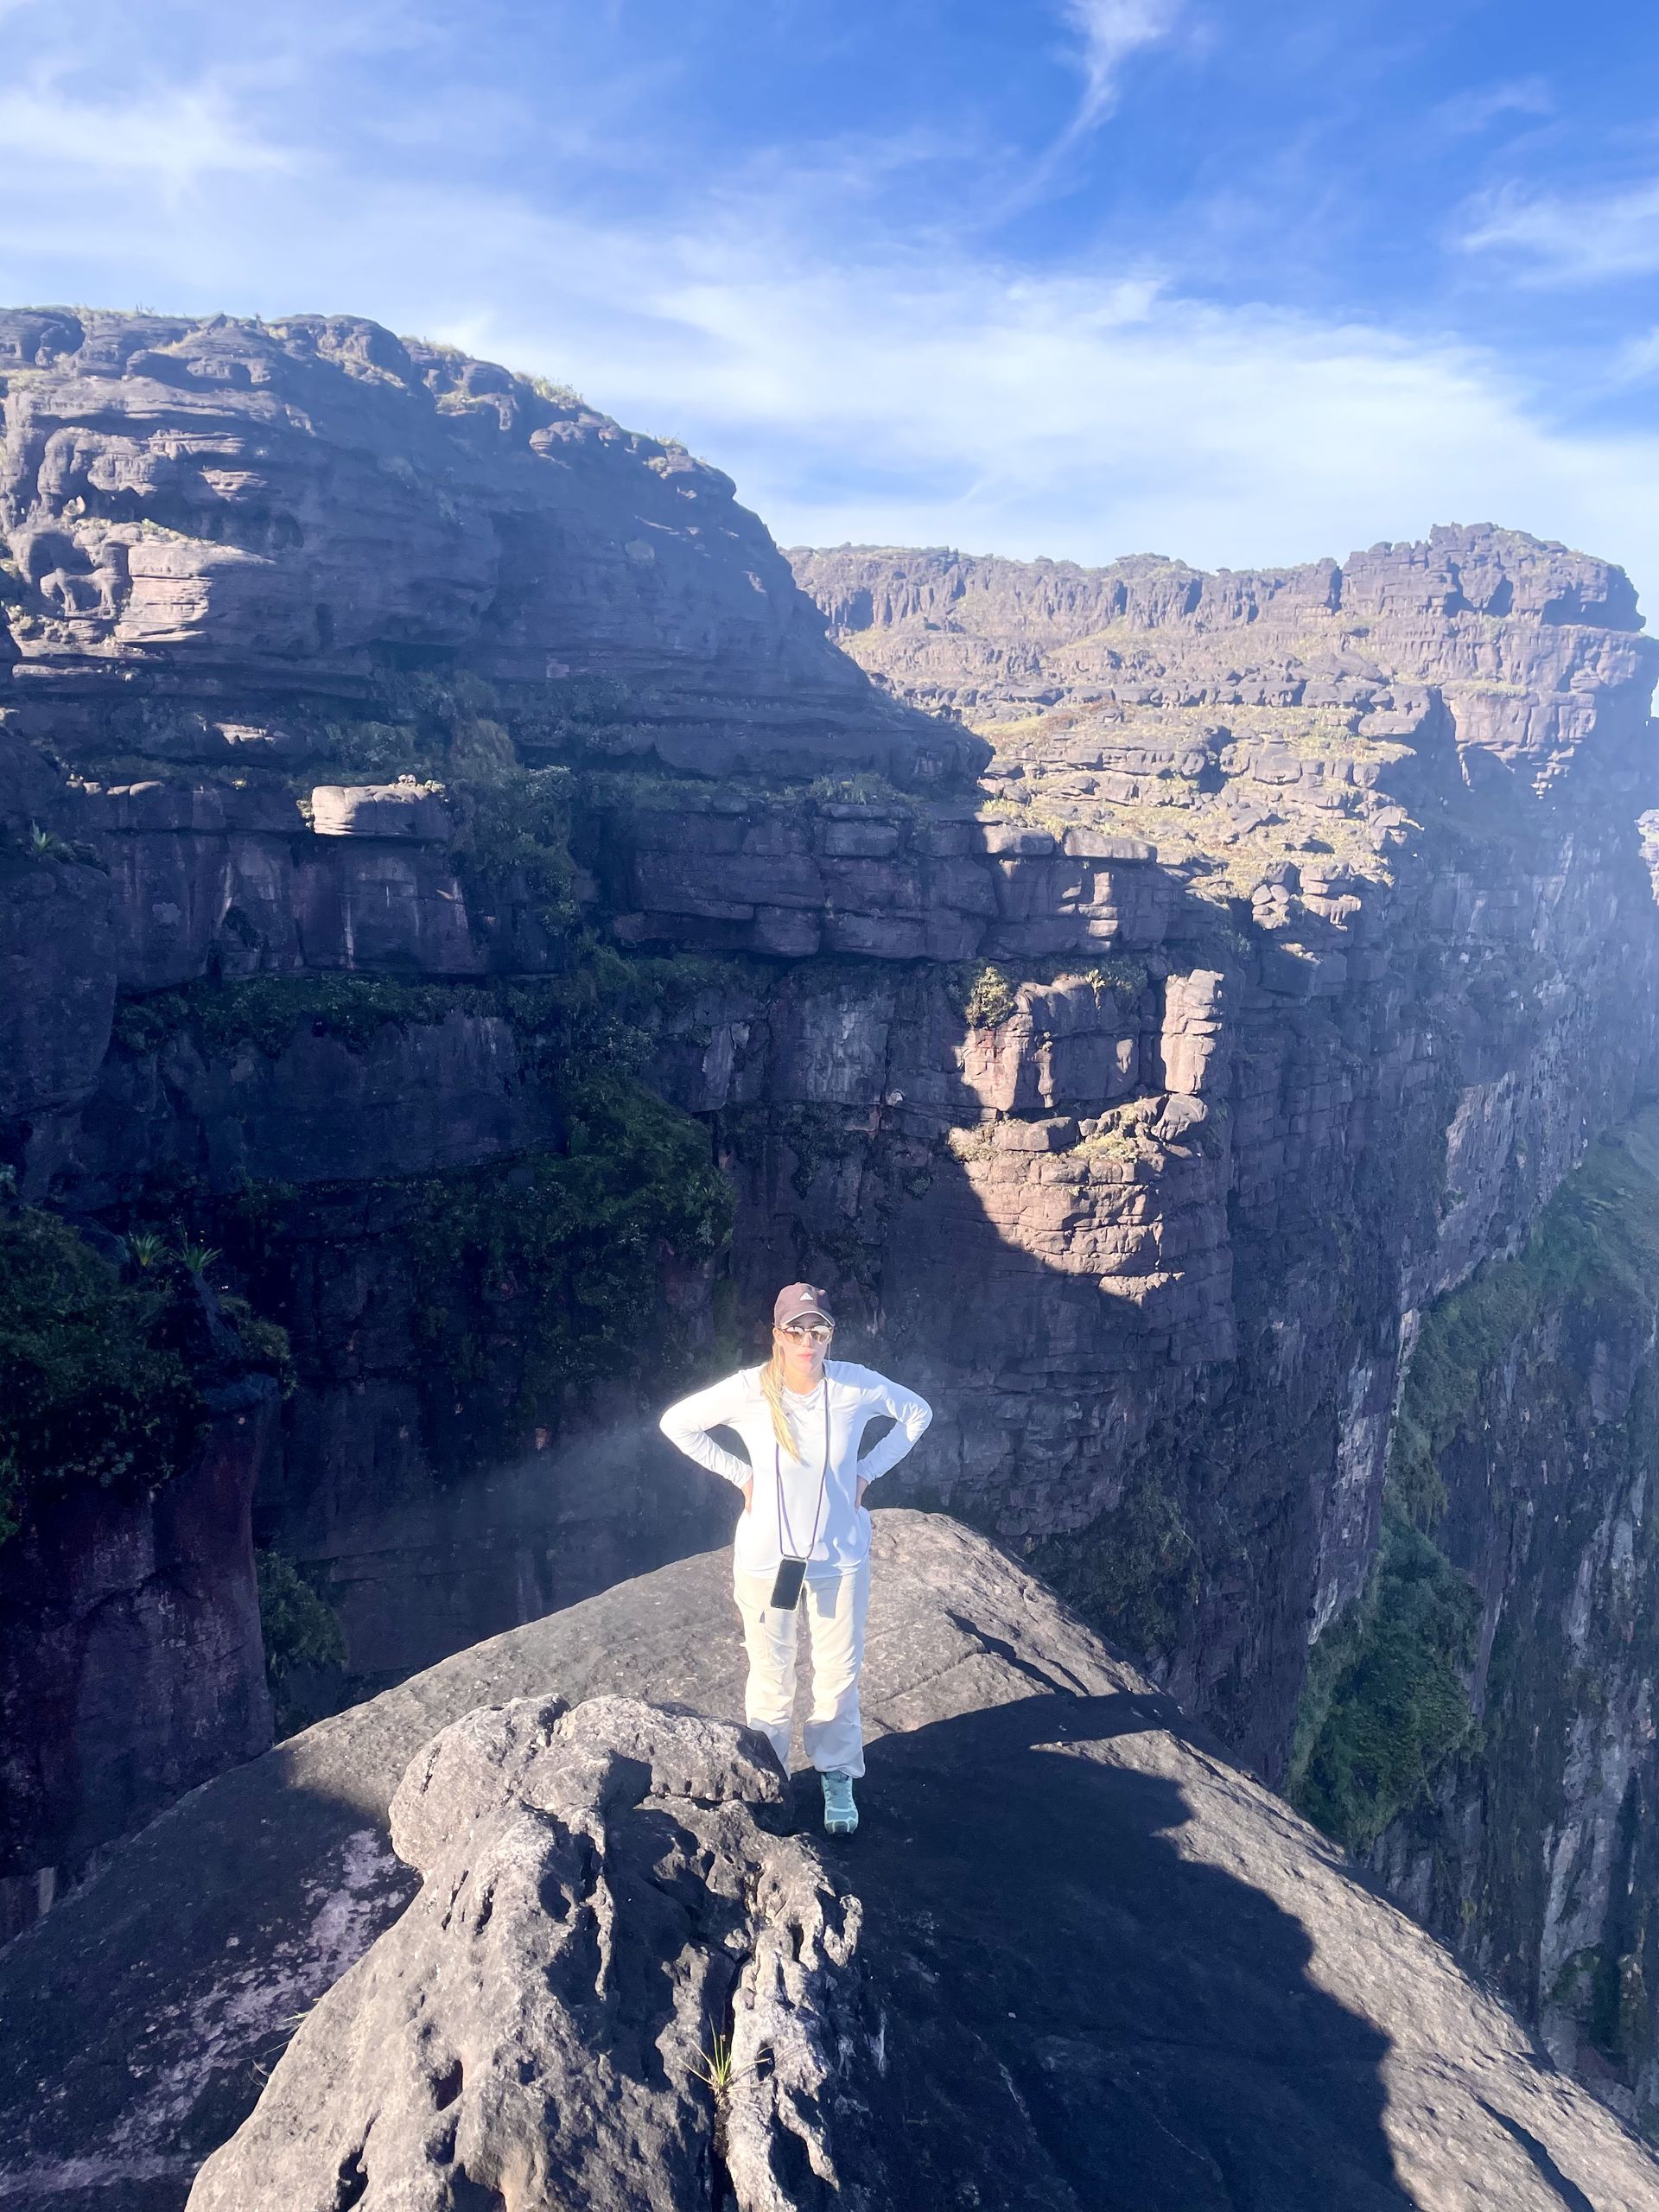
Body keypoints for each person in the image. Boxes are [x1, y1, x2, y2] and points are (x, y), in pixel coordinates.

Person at [658, 1282, 932, 1836]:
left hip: (839, 1558)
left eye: (819, 1330)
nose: (808, 1341)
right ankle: (770, 1774)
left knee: (837, 1674)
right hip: (768, 1560)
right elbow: (677, 1424)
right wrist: (742, 1476)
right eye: (796, 1330)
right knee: (771, 1674)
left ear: (830, 1335)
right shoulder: (748, 1392)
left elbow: (918, 1415)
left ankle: (836, 1776)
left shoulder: (855, 1386)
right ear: (777, 1335)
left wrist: (866, 1474)